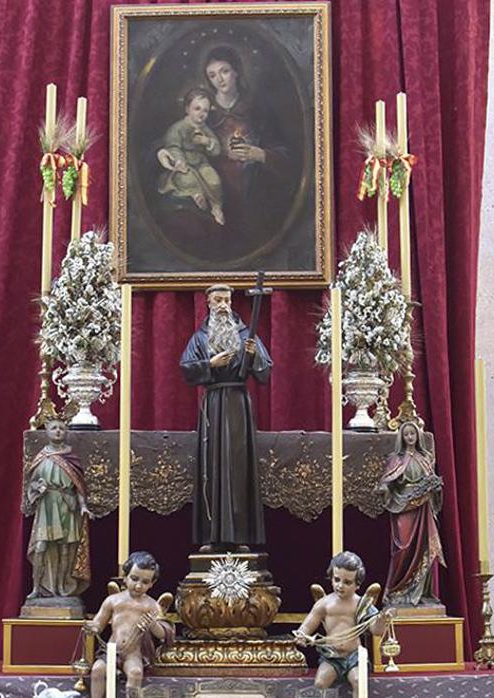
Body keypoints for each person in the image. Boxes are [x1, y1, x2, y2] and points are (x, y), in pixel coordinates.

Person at [179, 284, 272, 551]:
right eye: (217, 300)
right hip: (213, 403)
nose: (223, 305)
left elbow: (265, 371)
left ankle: (240, 535)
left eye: (227, 300)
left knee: (238, 466)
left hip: (238, 405)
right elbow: (186, 368)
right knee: (212, 466)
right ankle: (211, 536)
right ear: (208, 303)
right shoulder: (200, 337)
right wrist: (210, 365)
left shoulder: (246, 335)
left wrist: (253, 357)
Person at [200, 46, 291, 238]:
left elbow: (288, 156)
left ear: (236, 71)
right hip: (217, 193)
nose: (219, 79)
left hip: (256, 193)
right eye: (212, 75)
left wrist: (260, 154)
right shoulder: (204, 112)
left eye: (224, 71)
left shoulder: (258, 108)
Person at [293, 552, 392, 690]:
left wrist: (382, 620)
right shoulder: (324, 604)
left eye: (347, 582)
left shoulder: (362, 604)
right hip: (331, 657)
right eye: (337, 579)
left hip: (354, 657)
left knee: (358, 681)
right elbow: (307, 626)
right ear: (331, 578)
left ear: (358, 584)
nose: (340, 586)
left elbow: (377, 631)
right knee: (320, 683)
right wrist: (302, 635)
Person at [85, 552, 175, 698]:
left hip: (133, 653)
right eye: (134, 579)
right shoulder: (113, 600)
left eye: (145, 582)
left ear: (152, 583)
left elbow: (163, 634)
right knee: (97, 670)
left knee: (135, 673)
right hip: (111, 651)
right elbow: (99, 623)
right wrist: (92, 627)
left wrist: (152, 625)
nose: (138, 586)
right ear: (125, 577)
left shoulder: (151, 605)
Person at [376, 419, 444, 607]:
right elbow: (387, 481)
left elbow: (432, 481)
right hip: (403, 505)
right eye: (406, 434)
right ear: (401, 437)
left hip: (423, 506)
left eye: (412, 434)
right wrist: (385, 489)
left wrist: (436, 487)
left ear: (418, 436)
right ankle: (398, 589)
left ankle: (422, 592)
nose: (410, 437)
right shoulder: (396, 459)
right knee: (403, 547)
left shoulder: (425, 458)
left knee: (425, 547)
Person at [22, 417, 91, 603]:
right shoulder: (42, 456)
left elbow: (78, 486)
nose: (58, 431)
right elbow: (31, 483)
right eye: (54, 428)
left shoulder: (71, 457)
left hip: (67, 505)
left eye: (61, 428)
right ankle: (37, 587)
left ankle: (62, 585)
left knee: (66, 549)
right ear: (47, 432)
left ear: (66, 431)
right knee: (41, 547)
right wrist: (38, 488)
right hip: (47, 506)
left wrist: (83, 506)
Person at [157, 88, 225, 225]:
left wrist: (208, 142)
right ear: (187, 109)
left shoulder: (205, 129)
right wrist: (179, 161)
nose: (202, 114)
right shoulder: (177, 128)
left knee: (214, 180)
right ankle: (198, 197)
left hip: (201, 164)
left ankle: (216, 207)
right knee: (188, 180)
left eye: (205, 111)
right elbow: (173, 147)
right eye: (197, 109)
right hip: (184, 166)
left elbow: (216, 150)